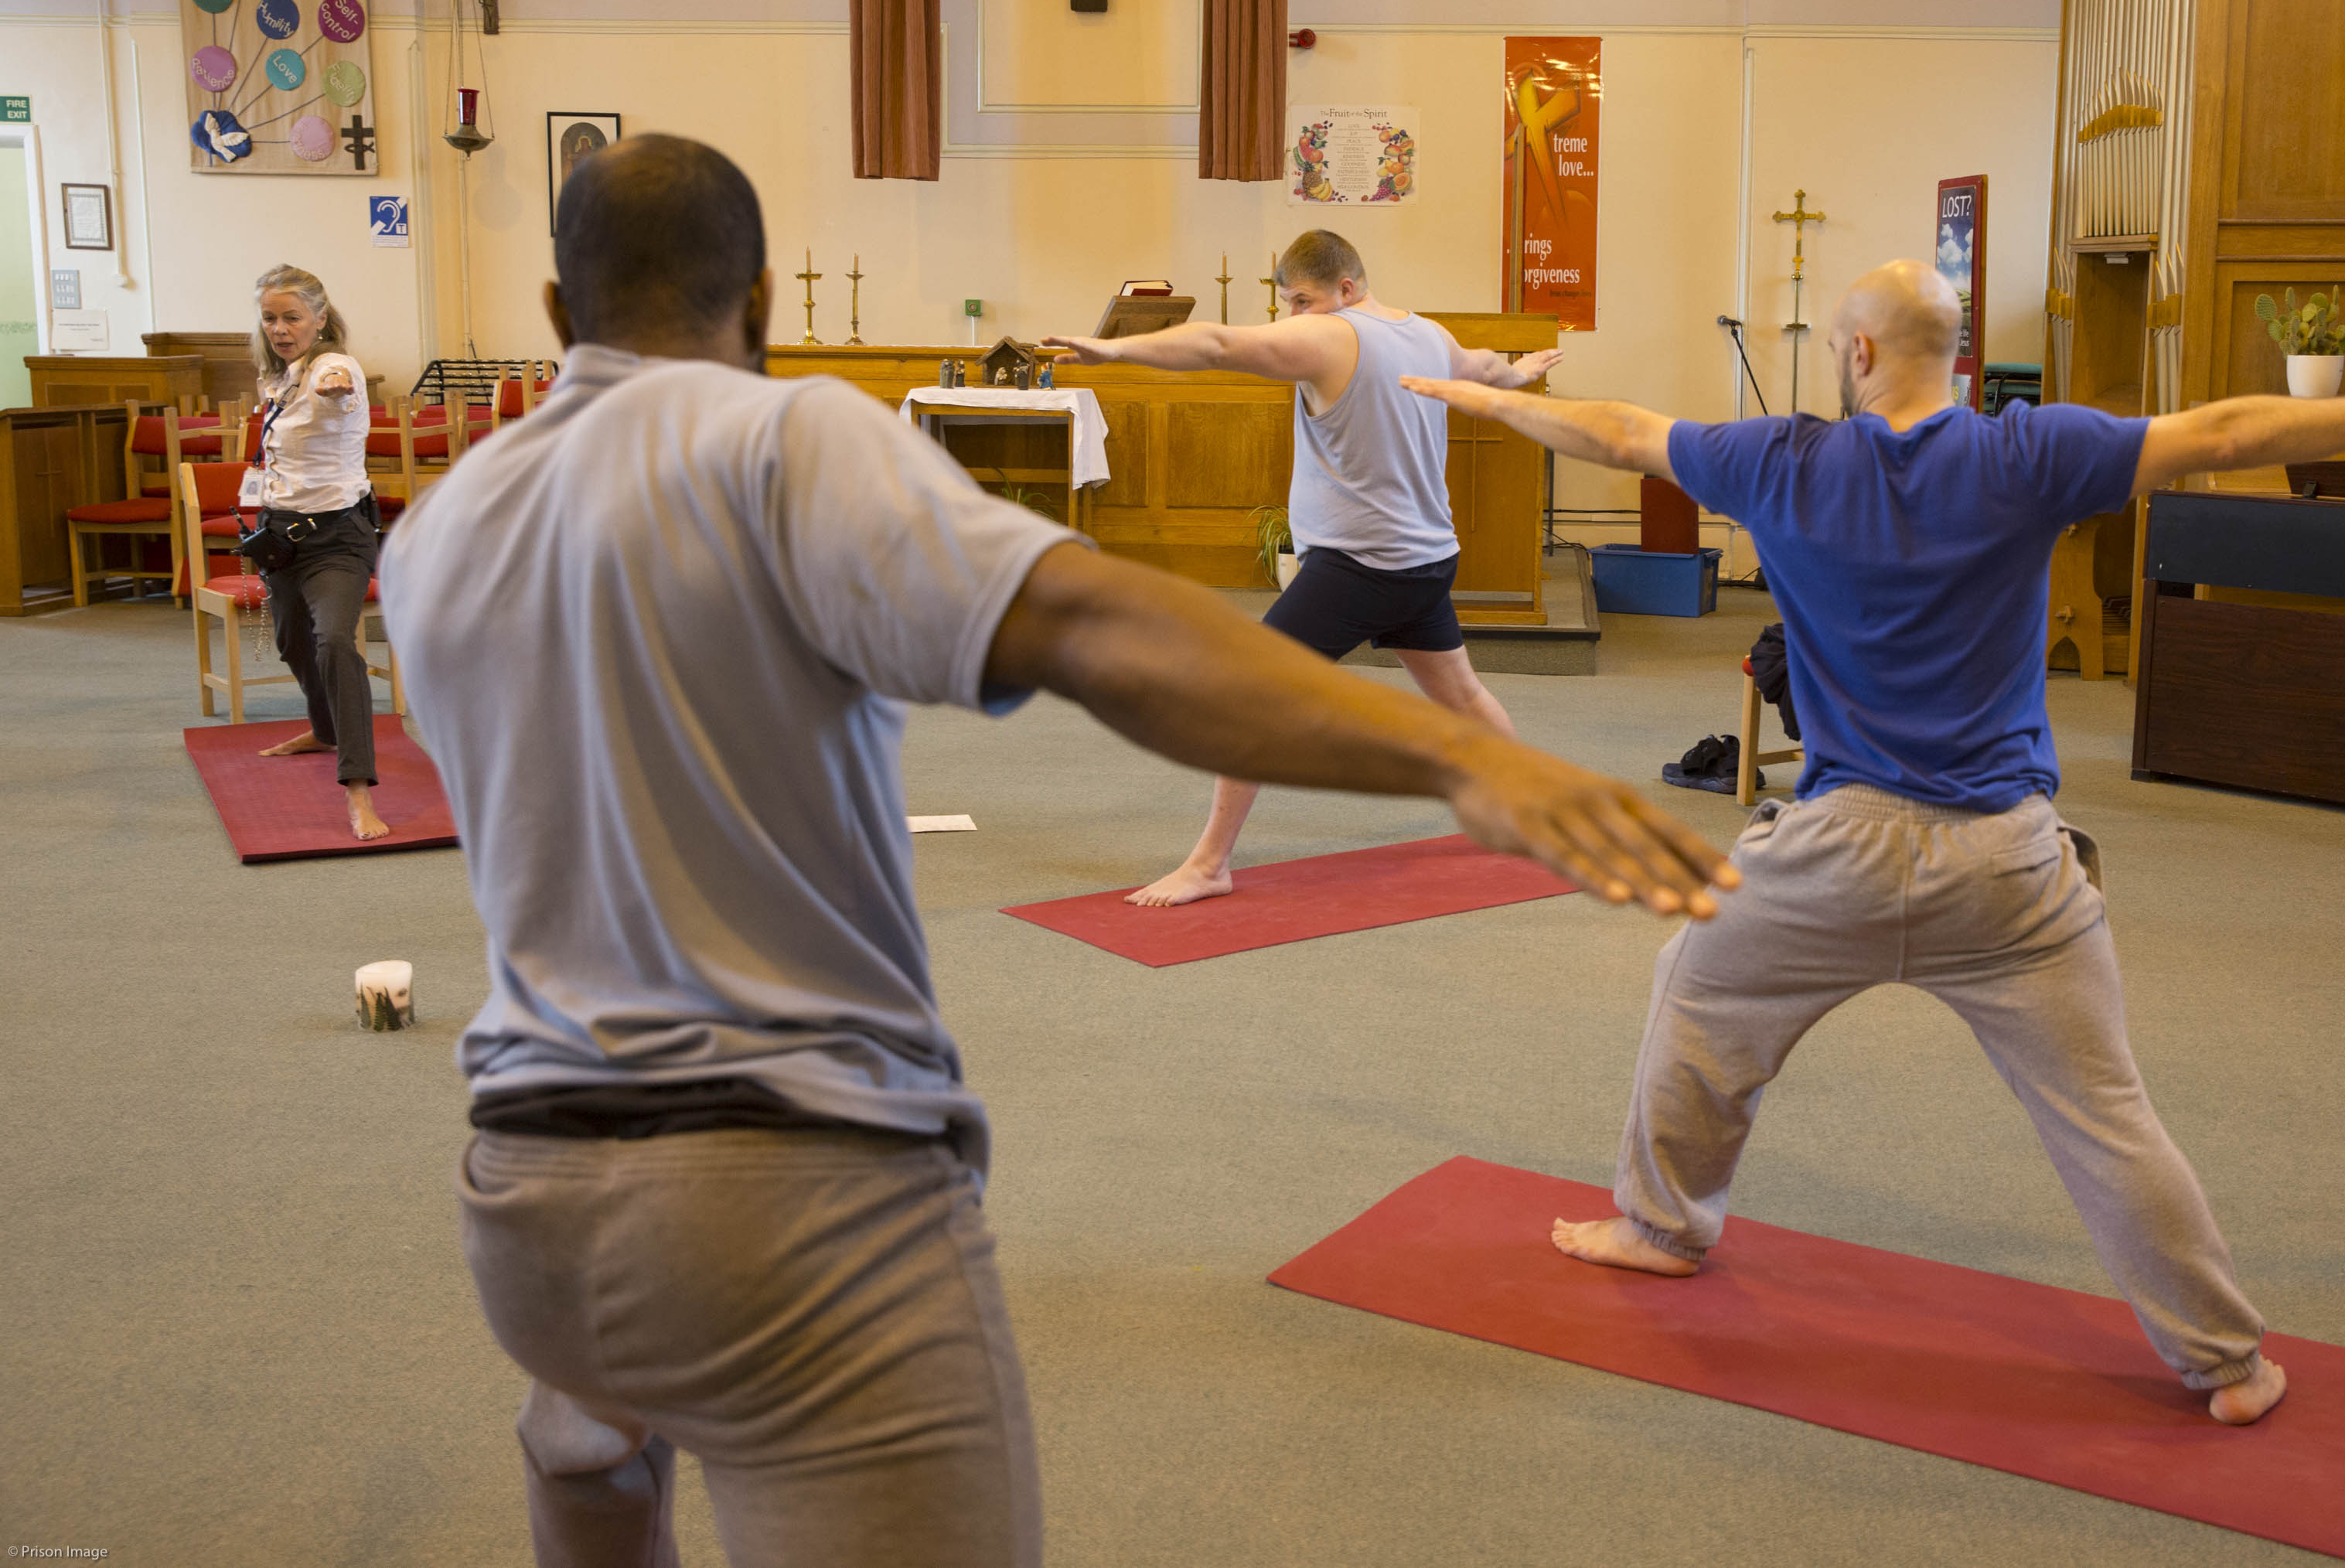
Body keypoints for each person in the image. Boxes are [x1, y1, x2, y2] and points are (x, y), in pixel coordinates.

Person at [379, 136, 1733, 1568]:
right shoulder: (788, 440)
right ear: (765, 297)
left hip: (531, 1201)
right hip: (794, 1200)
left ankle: (590, 1430)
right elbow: (1099, 627)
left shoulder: (438, 531)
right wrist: (1460, 758)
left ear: (550, 309)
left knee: (596, 1439)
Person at [1404, 258, 2345, 1427]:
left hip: (1827, 857)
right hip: (2009, 869)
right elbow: (2224, 428)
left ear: (1853, 354)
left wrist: (1485, 398)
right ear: (1955, 355)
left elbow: (1616, 432)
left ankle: (1657, 1228)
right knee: (2105, 1113)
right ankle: (2225, 1360)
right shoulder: (2026, 453)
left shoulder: (1781, 459)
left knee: (1695, 996)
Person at [1042, 230, 1561, 906]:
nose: (1293, 318)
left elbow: (1218, 345)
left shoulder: (1332, 335)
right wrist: (1521, 371)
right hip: (1427, 559)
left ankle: (1208, 865)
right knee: (1458, 694)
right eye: (1287, 303)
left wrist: (1112, 348)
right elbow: (1485, 369)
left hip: (1361, 567)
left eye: (1301, 300)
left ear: (1345, 288)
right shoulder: (1427, 334)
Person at [245, 264, 387, 842]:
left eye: (292, 317)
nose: (280, 329)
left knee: (334, 642)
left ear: (320, 319)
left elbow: (339, 384)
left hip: (336, 537)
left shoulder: (335, 366)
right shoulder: (277, 379)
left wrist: (335, 386)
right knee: (292, 643)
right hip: (280, 538)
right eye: (270, 318)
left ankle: (358, 791)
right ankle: (324, 731)